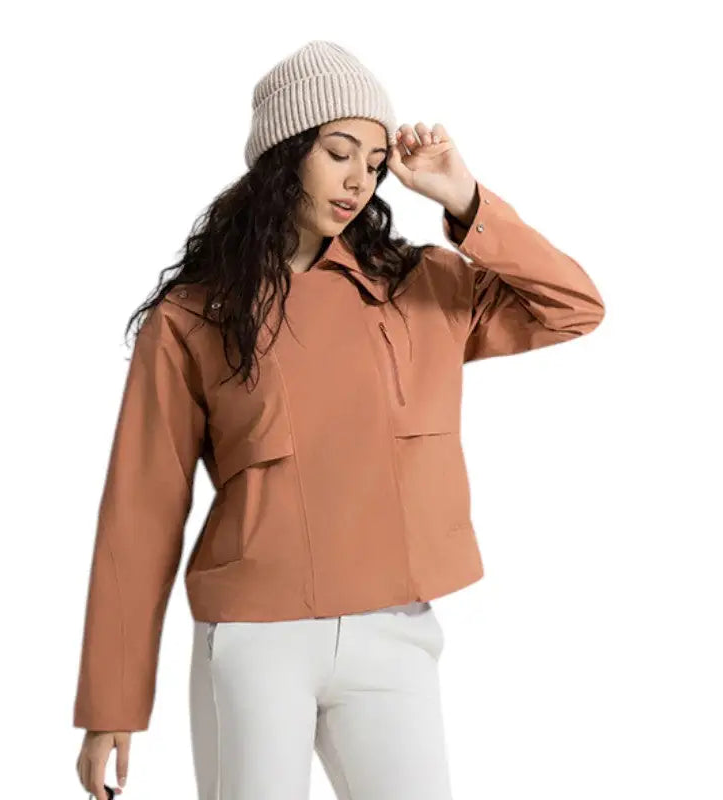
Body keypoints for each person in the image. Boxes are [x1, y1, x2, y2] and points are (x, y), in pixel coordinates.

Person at [74, 39, 605, 800]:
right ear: (284, 153)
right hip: (256, 640)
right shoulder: (194, 317)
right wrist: (112, 706)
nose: (360, 178)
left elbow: (574, 307)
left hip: (394, 633)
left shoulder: (421, 285)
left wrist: (465, 199)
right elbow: (141, 510)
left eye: (376, 160)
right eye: (338, 151)